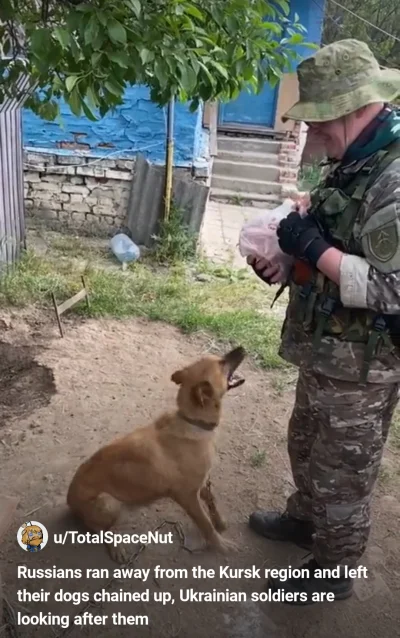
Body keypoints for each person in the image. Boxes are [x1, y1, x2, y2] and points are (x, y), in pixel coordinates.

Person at [247, 39, 400, 604]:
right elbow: (340, 234)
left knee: (344, 469)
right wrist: (290, 264)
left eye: (319, 123)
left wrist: (315, 248)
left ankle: (332, 569)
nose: (313, 137)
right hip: (329, 348)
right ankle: (304, 519)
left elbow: (393, 287)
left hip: (366, 365)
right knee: (308, 440)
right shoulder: (356, 159)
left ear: (352, 108)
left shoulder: (395, 175)